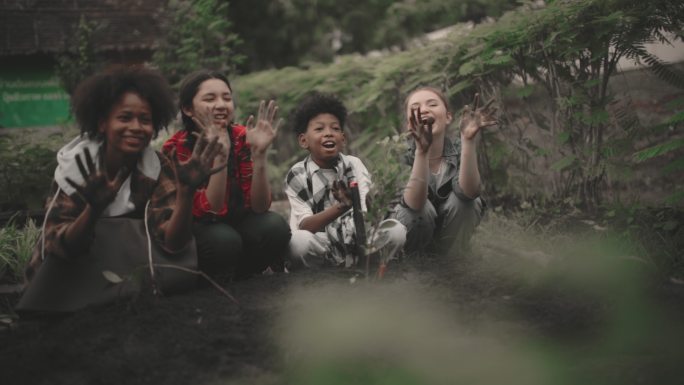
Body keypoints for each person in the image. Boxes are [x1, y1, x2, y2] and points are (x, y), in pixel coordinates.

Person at [17, 66, 225, 313]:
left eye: (145, 120)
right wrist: (93, 211)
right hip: (66, 292)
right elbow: (62, 248)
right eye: (125, 118)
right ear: (103, 123)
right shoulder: (76, 168)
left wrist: (186, 193)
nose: (136, 127)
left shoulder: (156, 166)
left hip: (128, 289)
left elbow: (173, 244)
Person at [163, 70, 290, 279]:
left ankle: (246, 277)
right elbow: (211, 211)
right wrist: (221, 155)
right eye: (210, 99)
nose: (221, 105)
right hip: (202, 230)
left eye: (227, 98)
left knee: (274, 226)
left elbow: (260, 207)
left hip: (238, 223)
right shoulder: (177, 150)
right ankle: (210, 282)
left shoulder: (242, 137)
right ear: (187, 109)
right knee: (223, 240)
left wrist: (259, 155)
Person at [285, 92, 406, 268]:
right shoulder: (297, 174)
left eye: (335, 128)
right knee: (298, 242)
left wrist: (374, 200)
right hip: (321, 245)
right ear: (304, 141)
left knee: (396, 231)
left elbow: (368, 215)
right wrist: (341, 207)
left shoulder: (353, 164)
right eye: (319, 129)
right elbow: (305, 226)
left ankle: (367, 265)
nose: (328, 134)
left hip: (356, 240)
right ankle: (323, 273)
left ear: (343, 138)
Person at [394, 87, 497, 255]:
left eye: (432, 104)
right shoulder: (399, 153)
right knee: (422, 209)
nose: (424, 109)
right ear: (409, 124)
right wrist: (421, 151)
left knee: (468, 203)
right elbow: (414, 204)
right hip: (412, 237)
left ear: (448, 117)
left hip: (448, 242)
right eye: (415, 108)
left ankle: (452, 260)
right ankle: (415, 263)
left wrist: (468, 141)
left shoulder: (458, 147)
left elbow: (469, 193)